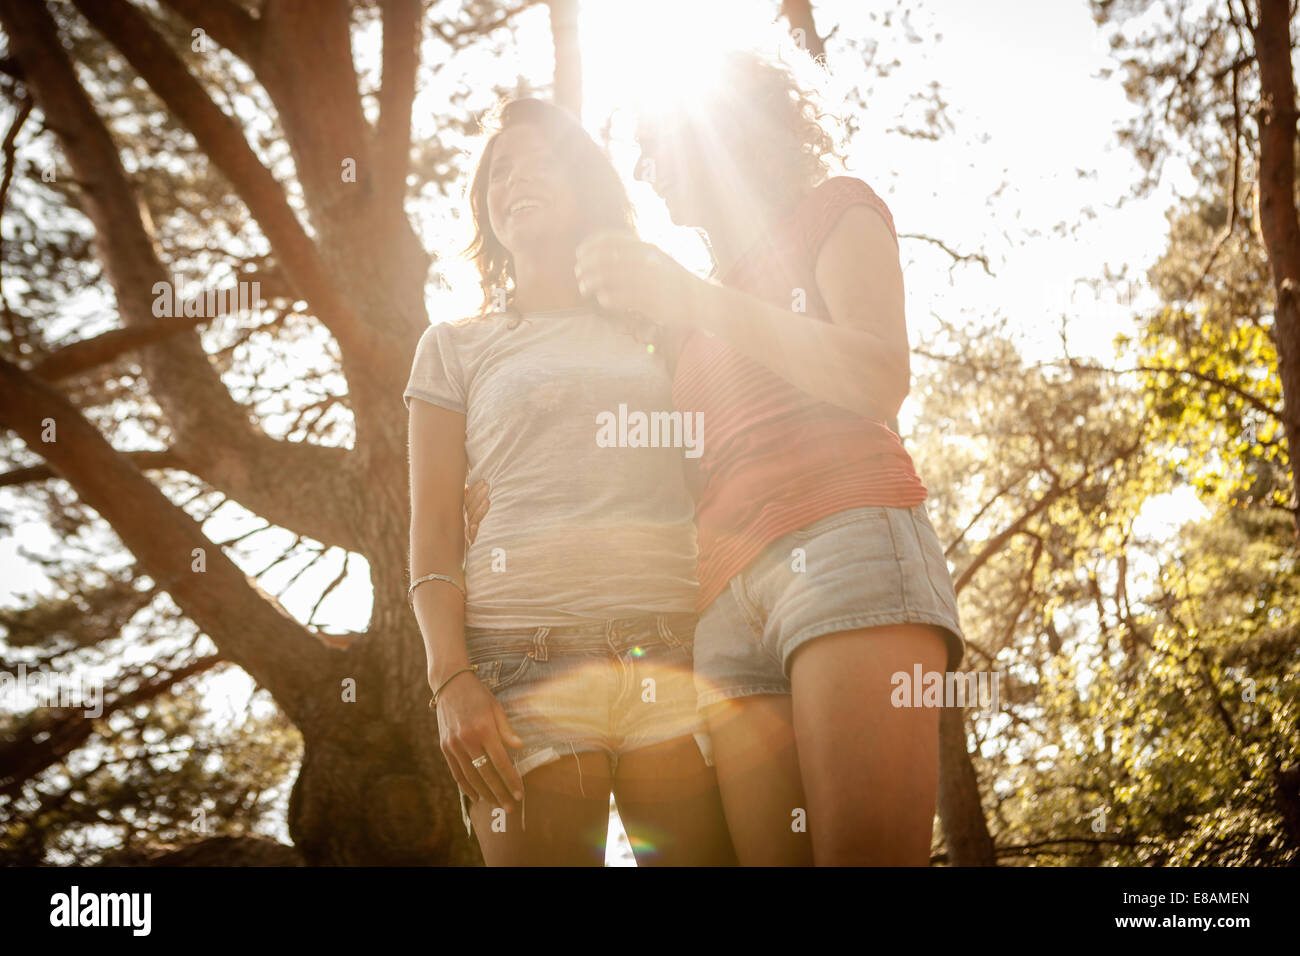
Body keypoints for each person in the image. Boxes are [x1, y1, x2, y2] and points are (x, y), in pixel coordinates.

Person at [473, 49, 969, 864]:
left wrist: (691, 299)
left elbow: (879, 378)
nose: (650, 172)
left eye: (661, 148)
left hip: (844, 543)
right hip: (724, 608)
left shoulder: (834, 211)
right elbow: (666, 468)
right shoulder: (686, 313)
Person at [405, 97, 734, 866]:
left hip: (676, 657)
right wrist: (450, 679)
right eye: (498, 174)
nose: (513, 181)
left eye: (537, 161)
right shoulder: (454, 347)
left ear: (586, 183)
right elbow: (430, 533)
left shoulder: (663, 327)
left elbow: (713, 473)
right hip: (519, 670)